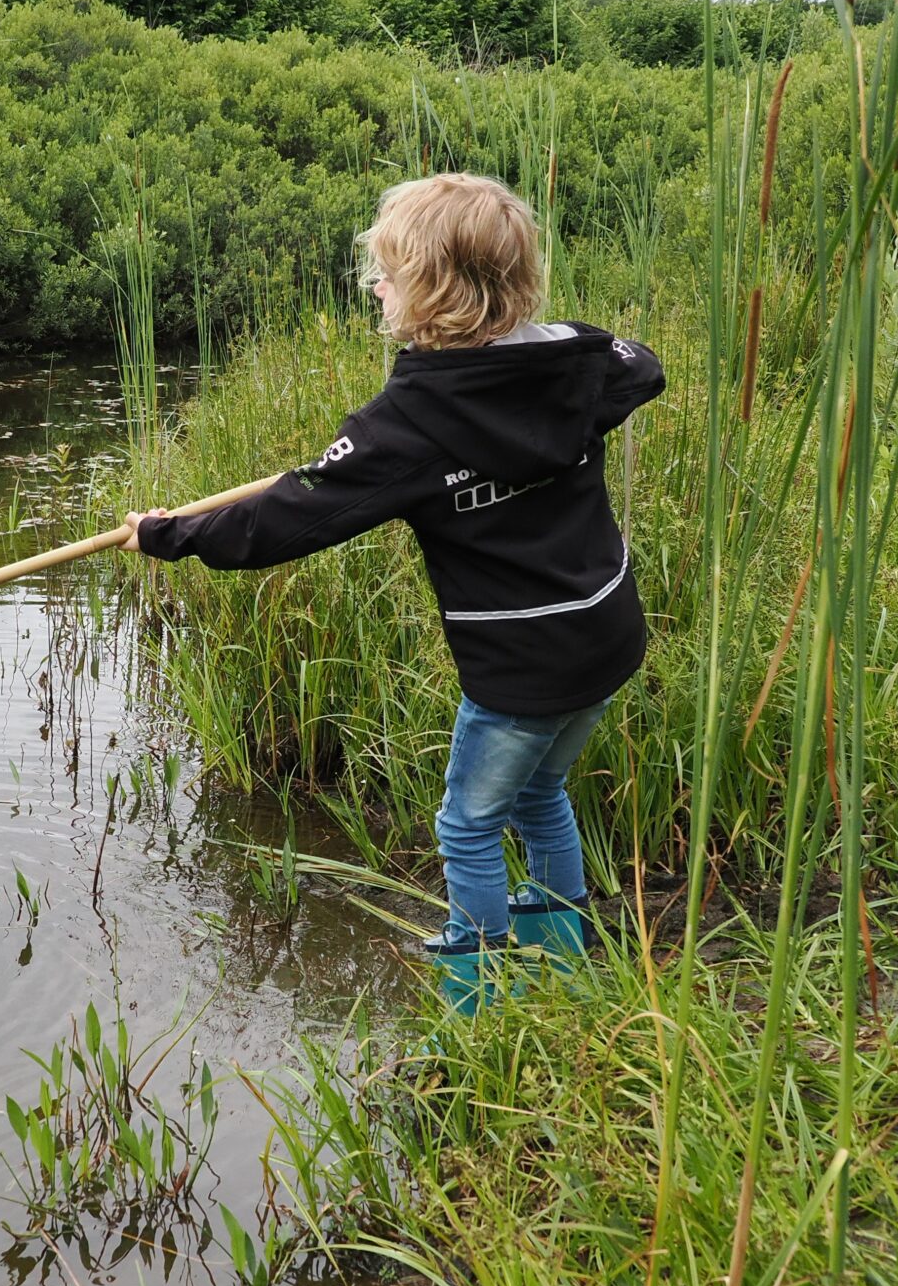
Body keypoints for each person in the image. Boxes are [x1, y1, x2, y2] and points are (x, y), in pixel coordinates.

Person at [122, 172, 664, 1012]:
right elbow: (641, 365)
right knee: (541, 791)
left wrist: (170, 533)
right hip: (607, 632)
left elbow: (286, 521)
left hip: (521, 666)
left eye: (389, 273)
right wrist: (576, 364)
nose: (377, 286)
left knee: (468, 823)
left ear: (431, 293)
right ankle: (561, 946)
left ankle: (475, 999)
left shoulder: (405, 428)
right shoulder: (574, 360)